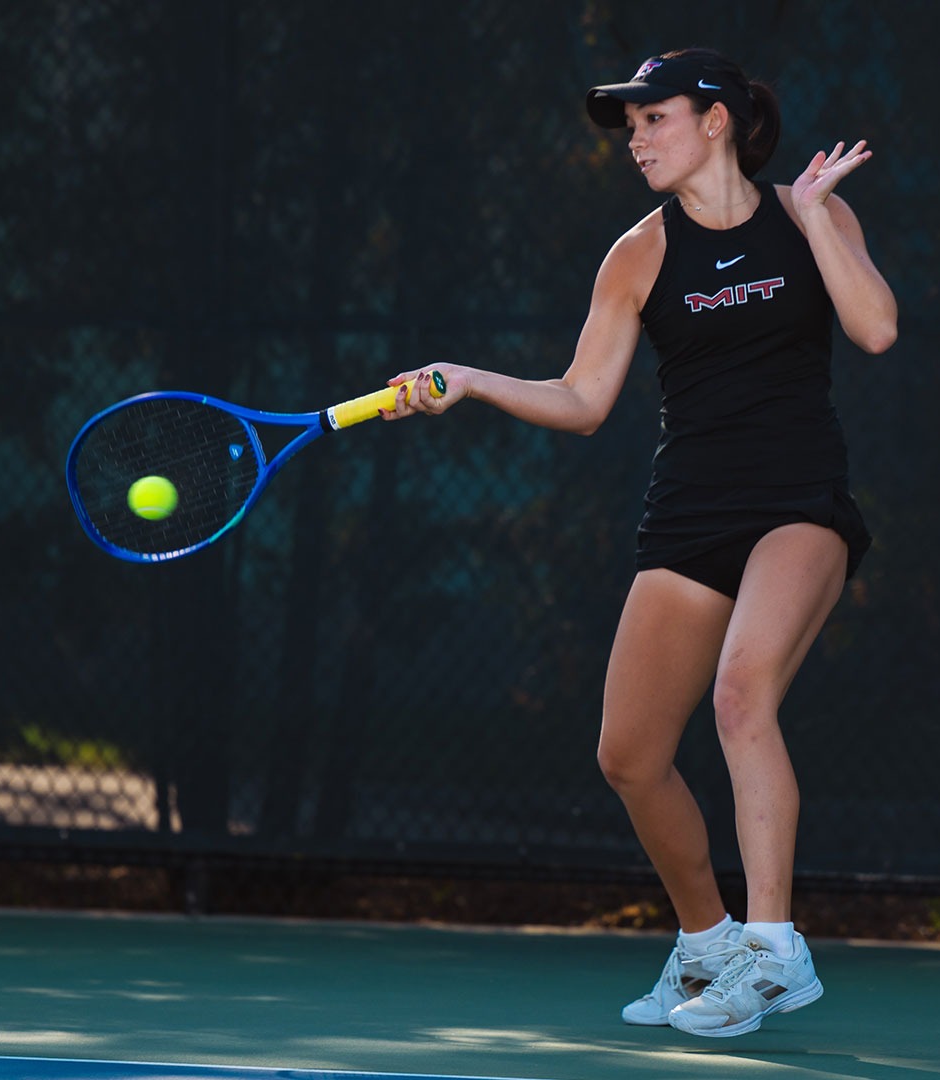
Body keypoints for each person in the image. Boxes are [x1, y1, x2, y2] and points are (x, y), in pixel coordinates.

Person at [382, 47, 896, 1038]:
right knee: (629, 755)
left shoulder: (807, 212)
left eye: (653, 119)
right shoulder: (637, 253)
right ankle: (706, 947)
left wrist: (825, 214)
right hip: (691, 512)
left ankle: (774, 950)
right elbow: (583, 400)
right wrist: (474, 380)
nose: (637, 140)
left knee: (741, 696)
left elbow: (874, 328)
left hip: (799, 504)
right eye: (630, 127)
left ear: (717, 120)